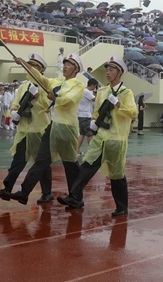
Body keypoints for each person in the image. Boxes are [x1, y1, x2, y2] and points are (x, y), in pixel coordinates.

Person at [57, 55, 138, 216]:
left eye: (112, 69)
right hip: (100, 137)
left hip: (116, 139)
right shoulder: (102, 91)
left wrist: (118, 104)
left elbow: (133, 113)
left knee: (117, 174)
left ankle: (122, 207)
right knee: (87, 165)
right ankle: (74, 196)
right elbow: (96, 113)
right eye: (107, 69)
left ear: (119, 72)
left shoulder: (126, 93)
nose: (108, 72)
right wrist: (94, 121)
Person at [7, 53, 85, 205]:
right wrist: (25, 64)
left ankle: (76, 197)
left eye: (68, 64)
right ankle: (24, 192)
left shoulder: (77, 85)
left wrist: (56, 98)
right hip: (53, 126)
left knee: (70, 163)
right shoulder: (57, 82)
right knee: (41, 161)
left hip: (67, 127)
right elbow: (40, 79)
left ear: (75, 69)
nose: (65, 67)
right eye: (64, 64)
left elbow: (69, 100)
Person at [0, 54, 55, 203]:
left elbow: (47, 106)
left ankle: (47, 193)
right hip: (24, 131)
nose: (29, 68)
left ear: (41, 70)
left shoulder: (46, 85)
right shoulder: (23, 86)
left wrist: (37, 94)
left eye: (33, 66)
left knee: (42, 164)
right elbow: (15, 104)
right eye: (28, 64)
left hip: (39, 130)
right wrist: (13, 112)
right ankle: (7, 189)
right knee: (18, 161)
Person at [77, 78, 99, 152]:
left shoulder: (84, 90)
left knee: (82, 133)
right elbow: (96, 99)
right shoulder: (87, 91)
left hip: (81, 114)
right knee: (90, 133)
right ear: (92, 85)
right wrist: (98, 92)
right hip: (85, 115)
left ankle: (77, 150)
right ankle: (91, 150)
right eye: (95, 86)